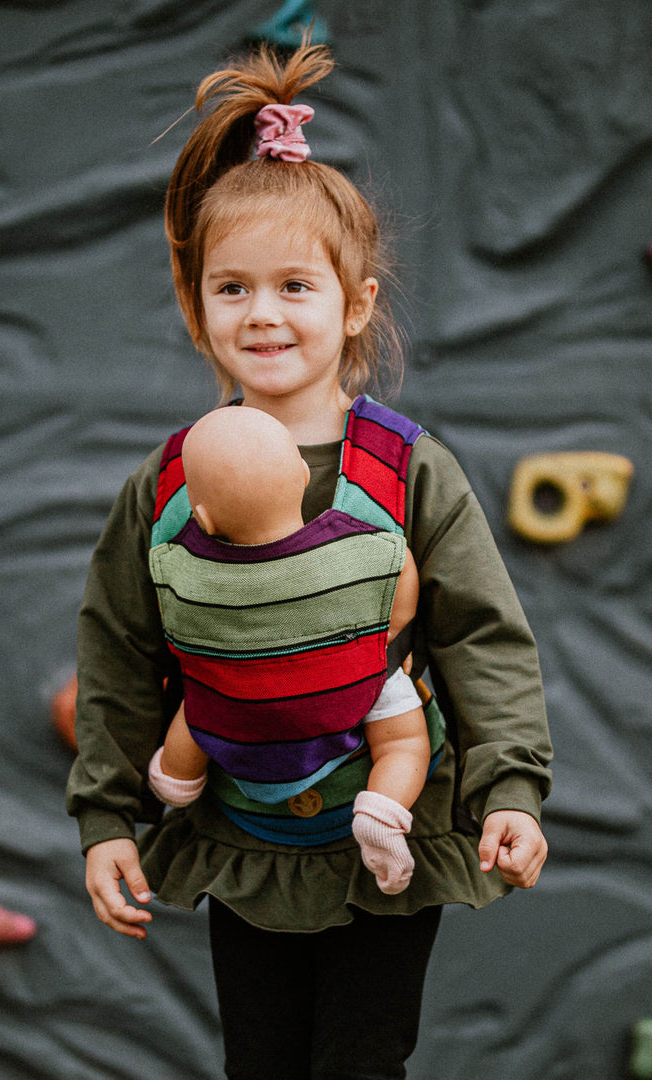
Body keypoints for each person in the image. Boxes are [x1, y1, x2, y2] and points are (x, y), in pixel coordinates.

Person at [67, 40, 552, 1080]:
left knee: (361, 1062)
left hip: (387, 836)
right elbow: (117, 649)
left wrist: (510, 787)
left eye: (295, 285)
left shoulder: (409, 471)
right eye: (232, 287)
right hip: (248, 842)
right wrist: (107, 814)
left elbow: (482, 636)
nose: (263, 313)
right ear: (198, 303)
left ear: (356, 303)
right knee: (262, 1062)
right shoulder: (167, 486)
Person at [146, 405, 431, 896]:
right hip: (350, 684)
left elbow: (166, 622)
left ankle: (176, 779)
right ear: (303, 475)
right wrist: (391, 630)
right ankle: (383, 809)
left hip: (236, 703)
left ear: (202, 517)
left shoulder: (180, 570)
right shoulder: (361, 547)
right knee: (403, 741)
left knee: (199, 704)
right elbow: (400, 568)